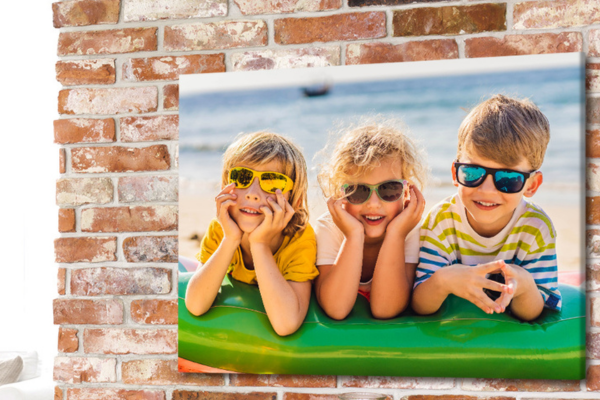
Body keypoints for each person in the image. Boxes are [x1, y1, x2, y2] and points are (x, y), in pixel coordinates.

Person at [412, 94, 562, 321]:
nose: (487, 190)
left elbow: (535, 311)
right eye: (473, 173)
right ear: (455, 173)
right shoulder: (441, 220)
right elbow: (420, 305)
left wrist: (524, 287)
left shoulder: (536, 228)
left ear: (531, 185)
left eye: (508, 179)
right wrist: (444, 281)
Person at [185, 131, 319, 336]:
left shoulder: (299, 239)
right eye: (242, 177)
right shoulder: (221, 231)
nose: (252, 193)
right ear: (224, 186)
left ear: (295, 200)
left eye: (273, 182)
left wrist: (259, 245)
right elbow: (195, 305)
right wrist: (231, 239)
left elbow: (286, 325)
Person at [315, 120, 428, 320]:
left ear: (406, 191)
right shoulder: (329, 228)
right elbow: (336, 308)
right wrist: (353, 235)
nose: (374, 204)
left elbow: (385, 309)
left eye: (389, 189)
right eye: (358, 191)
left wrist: (396, 234)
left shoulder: (408, 230)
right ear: (339, 193)